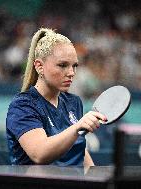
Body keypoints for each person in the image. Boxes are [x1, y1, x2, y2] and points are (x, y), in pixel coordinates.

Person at [6, 28, 107, 166]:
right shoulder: (23, 105)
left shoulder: (74, 102)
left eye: (74, 66)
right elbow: (39, 153)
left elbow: (79, 151)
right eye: (63, 65)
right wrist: (77, 127)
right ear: (39, 66)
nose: (71, 73)